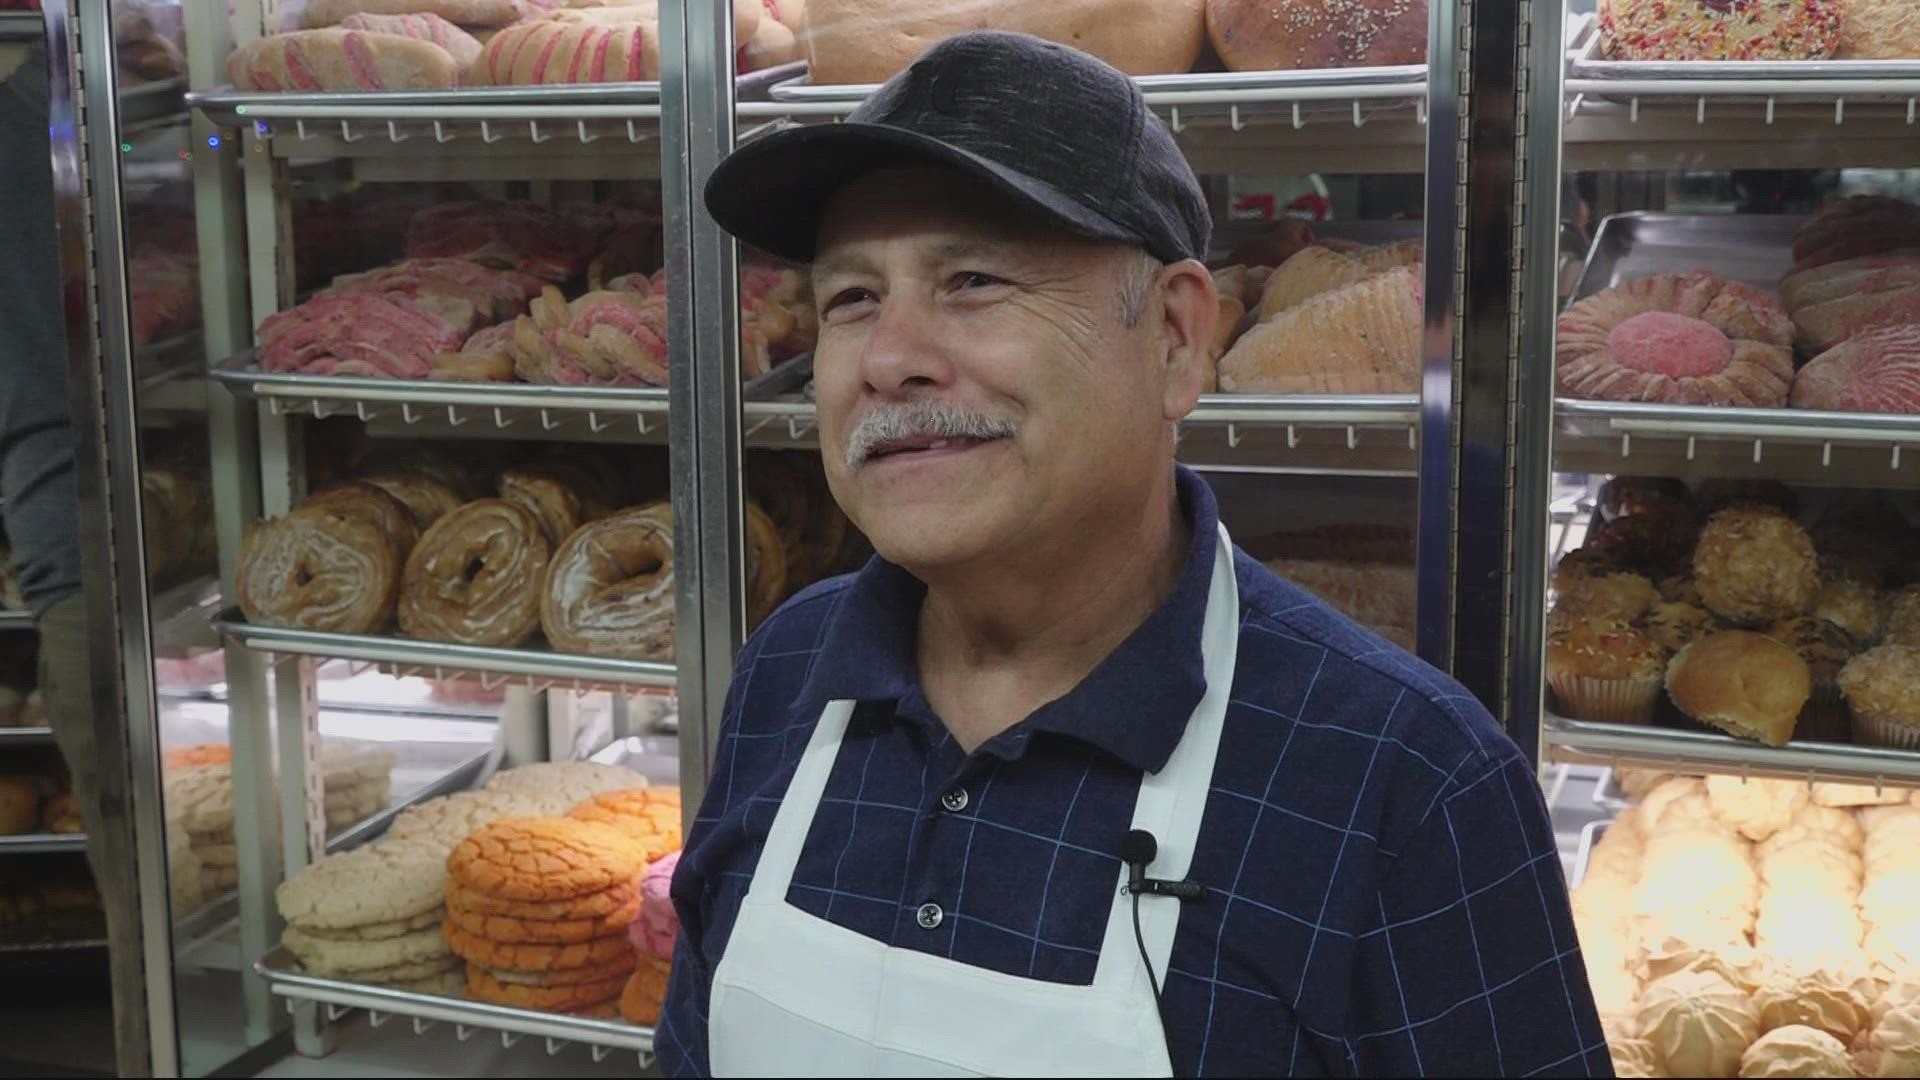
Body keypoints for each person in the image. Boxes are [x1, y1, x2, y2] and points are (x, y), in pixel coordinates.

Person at [660, 30, 1608, 1078]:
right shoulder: (790, 668)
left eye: (974, 279)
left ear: (1174, 339)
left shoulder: (1406, 782)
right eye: (851, 300)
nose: (889, 361)